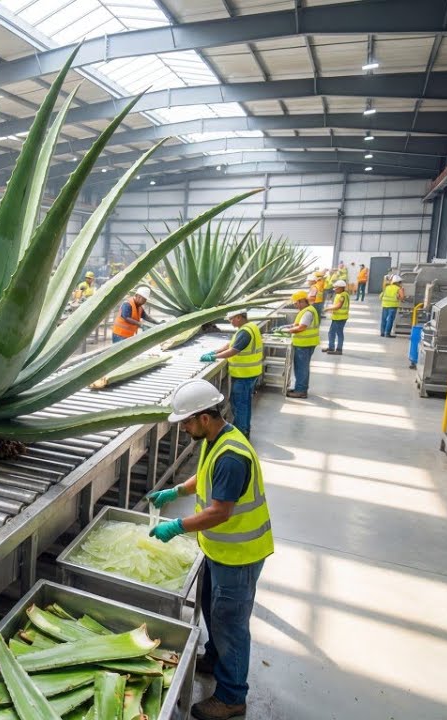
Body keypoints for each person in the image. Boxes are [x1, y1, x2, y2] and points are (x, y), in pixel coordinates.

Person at [147, 379, 272, 720]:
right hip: (219, 552)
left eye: (187, 421)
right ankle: (215, 659)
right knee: (213, 609)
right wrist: (175, 492)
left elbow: (220, 511)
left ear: (205, 417)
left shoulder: (232, 456)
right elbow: (203, 478)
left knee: (230, 622)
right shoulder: (215, 439)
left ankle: (232, 697)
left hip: (240, 556)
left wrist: (177, 527)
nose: (184, 427)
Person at [200, 309, 262, 438]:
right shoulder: (249, 327)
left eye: (231, 319)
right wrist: (215, 351)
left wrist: (214, 357)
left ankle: (241, 433)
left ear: (239, 317)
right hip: (249, 373)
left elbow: (233, 350)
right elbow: (231, 344)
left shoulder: (245, 331)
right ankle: (244, 429)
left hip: (244, 374)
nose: (230, 322)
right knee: (245, 404)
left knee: (239, 405)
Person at [280, 290, 319, 399]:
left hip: (304, 344)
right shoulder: (307, 310)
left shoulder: (307, 312)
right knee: (302, 367)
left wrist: (288, 331)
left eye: (296, 303)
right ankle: (299, 388)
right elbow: (298, 324)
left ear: (302, 301)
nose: (295, 305)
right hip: (306, 343)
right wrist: (289, 326)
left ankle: (301, 391)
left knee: (301, 368)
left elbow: (302, 327)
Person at [325, 280, 350, 355]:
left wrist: (328, 308)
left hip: (340, 318)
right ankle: (331, 347)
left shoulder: (343, 295)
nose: (335, 290)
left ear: (341, 288)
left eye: (336, 288)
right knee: (331, 333)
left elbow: (338, 306)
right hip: (337, 317)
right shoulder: (340, 294)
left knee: (339, 333)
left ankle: (339, 349)